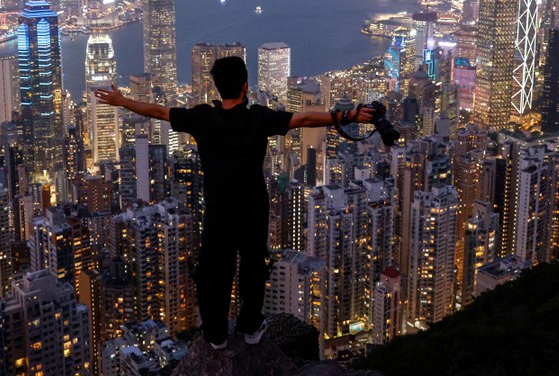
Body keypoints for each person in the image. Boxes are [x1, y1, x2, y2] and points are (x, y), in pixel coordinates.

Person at [95, 56, 373, 349]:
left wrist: (122, 101)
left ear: (217, 87)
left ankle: (215, 333)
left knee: (216, 268)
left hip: (219, 207)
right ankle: (251, 326)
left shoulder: (202, 117)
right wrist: (349, 116)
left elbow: (160, 112)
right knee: (253, 265)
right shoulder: (258, 117)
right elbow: (303, 119)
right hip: (253, 205)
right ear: (245, 86)